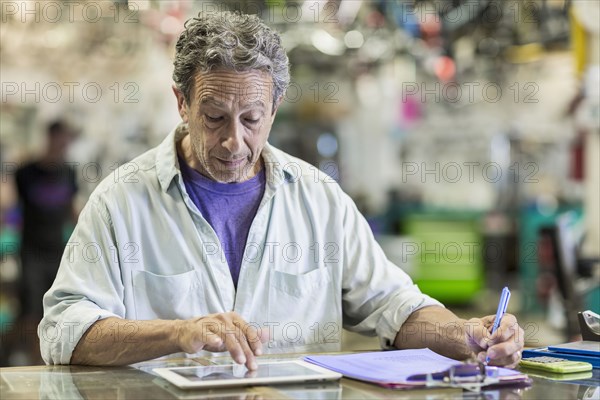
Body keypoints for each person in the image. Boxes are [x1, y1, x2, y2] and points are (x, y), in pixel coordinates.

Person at [39, 11, 523, 370]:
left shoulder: (319, 199)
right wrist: (176, 333)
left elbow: (395, 307)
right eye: (214, 118)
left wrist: (462, 333)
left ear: (275, 108)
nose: (234, 141)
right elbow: (62, 331)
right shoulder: (121, 201)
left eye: (251, 119)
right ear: (181, 103)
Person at [15, 119, 78, 363]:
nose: (63, 144)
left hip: (58, 251)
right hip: (31, 251)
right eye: (60, 138)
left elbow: (73, 210)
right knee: (31, 308)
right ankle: (33, 359)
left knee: (55, 308)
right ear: (50, 138)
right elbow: (9, 203)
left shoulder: (69, 173)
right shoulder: (26, 172)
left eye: (67, 140)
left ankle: (50, 357)